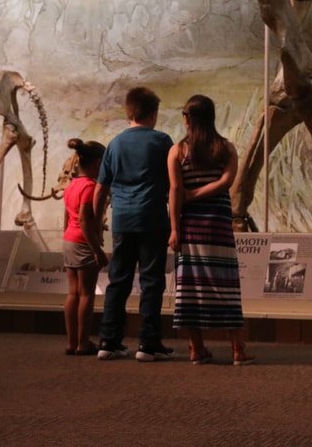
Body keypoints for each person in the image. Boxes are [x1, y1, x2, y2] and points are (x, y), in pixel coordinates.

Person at [167, 94, 255, 366]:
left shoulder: (177, 151)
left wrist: (174, 228)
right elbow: (227, 182)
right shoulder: (226, 148)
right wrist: (200, 194)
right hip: (218, 225)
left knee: (191, 287)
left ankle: (197, 349)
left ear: (187, 119)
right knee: (225, 285)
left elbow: (175, 191)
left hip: (191, 226)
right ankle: (237, 350)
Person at [94, 86, 175, 362]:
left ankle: (108, 340)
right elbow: (174, 183)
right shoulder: (162, 141)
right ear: (153, 114)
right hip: (152, 219)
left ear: (129, 112)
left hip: (122, 221)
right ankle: (148, 344)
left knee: (119, 281)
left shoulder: (114, 144)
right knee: (152, 282)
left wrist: (97, 220)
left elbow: (100, 189)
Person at [61, 137, 107, 356]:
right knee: (86, 293)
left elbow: (68, 218)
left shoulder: (72, 186)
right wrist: (97, 250)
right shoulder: (89, 187)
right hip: (83, 242)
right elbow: (83, 221)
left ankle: (72, 342)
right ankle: (83, 343)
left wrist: (65, 238)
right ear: (98, 163)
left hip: (69, 241)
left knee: (72, 292)